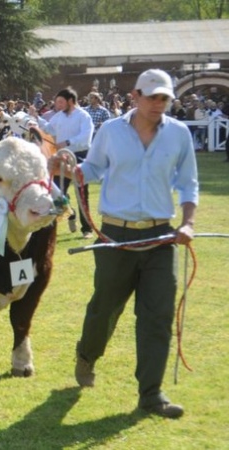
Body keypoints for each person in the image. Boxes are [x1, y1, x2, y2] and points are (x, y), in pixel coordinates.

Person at [56, 69, 198, 419]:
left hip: (160, 237)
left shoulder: (178, 134)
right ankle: (87, 355)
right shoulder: (111, 131)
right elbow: (92, 170)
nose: (159, 104)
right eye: (152, 97)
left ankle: (151, 394)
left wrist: (189, 222)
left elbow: (189, 183)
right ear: (135, 95)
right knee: (105, 308)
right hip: (115, 237)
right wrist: (69, 167)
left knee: (157, 316)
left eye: (164, 98)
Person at [47, 87, 94, 238]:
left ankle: (87, 229)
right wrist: (34, 120)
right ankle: (70, 213)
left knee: (82, 194)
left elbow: (85, 138)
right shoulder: (58, 116)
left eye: (61, 102)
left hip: (80, 156)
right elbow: (48, 129)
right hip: (61, 157)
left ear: (71, 101)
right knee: (58, 193)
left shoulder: (83, 116)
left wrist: (67, 142)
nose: (58, 105)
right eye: (57, 102)